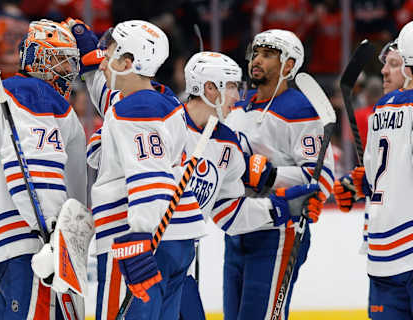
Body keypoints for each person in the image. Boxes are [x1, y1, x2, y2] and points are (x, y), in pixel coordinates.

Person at [69, 19, 208, 320]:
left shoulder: (135, 110)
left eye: (110, 52)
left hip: (135, 237)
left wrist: (140, 238)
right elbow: (111, 96)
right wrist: (91, 56)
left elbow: (151, 177)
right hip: (174, 238)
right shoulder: (157, 98)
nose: (103, 58)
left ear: (128, 62)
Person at [0, 19, 87, 319]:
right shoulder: (37, 95)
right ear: (39, 58)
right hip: (27, 245)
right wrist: (54, 239)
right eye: (61, 60)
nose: (68, 71)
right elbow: (37, 172)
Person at [224, 29, 335, 320]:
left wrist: (273, 176)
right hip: (237, 226)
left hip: (278, 231)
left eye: (268, 54)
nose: (256, 60)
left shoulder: (299, 109)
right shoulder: (237, 105)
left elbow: (322, 177)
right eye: (256, 53)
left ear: (288, 65)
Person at [333, 21, 413, 319]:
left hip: (382, 251)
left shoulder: (381, 109)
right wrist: (362, 183)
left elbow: (378, 173)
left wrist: (360, 184)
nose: (384, 71)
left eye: (394, 63)